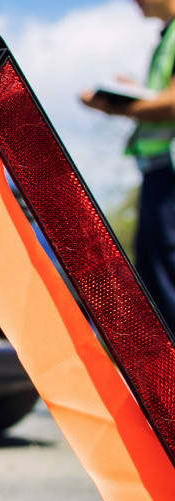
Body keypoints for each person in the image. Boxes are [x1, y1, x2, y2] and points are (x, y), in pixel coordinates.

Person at [82, 0, 175, 334]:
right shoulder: (167, 37)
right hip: (160, 172)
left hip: (170, 176)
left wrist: (116, 105)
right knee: (156, 276)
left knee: (166, 277)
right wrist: (135, 92)